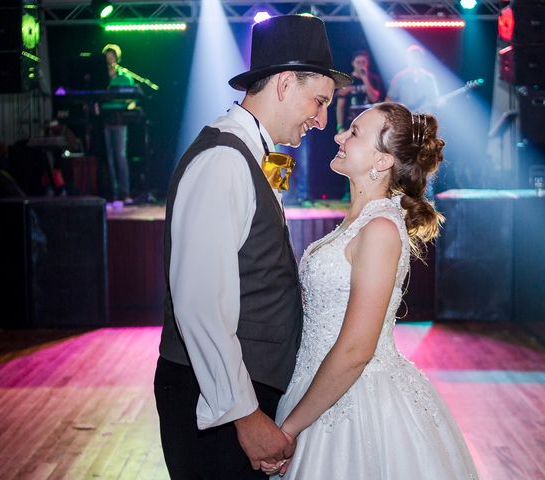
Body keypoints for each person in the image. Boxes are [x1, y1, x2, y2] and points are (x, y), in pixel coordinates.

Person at [153, 15, 351, 480]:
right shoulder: (223, 161)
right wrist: (244, 415)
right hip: (215, 405)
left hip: (238, 392)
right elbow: (201, 306)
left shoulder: (250, 154)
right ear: (284, 84)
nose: (322, 120)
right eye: (319, 101)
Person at [262, 102, 479, 479]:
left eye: (354, 133)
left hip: (356, 400)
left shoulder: (379, 229)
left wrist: (288, 430)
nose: (338, 136)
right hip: (318, 386)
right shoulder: (360, 220)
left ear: (382, 161)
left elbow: (355, 351)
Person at [101, 43, 134, 204]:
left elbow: (131, 100)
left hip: (119, 119)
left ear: (116, 58)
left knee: (120, 156)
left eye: (112, 56)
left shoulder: (125, 77)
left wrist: (127, 103)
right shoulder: (100, 78)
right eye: (107, 56)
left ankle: (125, 192)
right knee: (108, 158)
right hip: (104, 119)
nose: (109, 59)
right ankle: (112, 194)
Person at [335, 50, 382, 134]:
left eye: (363, 62)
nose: (361, 64)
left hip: (369, 122)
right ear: (353, 63)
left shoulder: (374, 79)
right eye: (358, 62)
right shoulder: (347, 80)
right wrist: (340, 126)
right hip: (350, 122)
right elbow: (340, 105)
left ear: (368, 63)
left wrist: (365, 78)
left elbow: (374, 98)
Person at [386, 45, 440, 112]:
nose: (414, 60)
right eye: (412, 57)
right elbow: (388, 100)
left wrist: (439, 102)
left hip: (424, 118)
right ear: (407, 59)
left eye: (417, 57)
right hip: (406, 118)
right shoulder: (399, 78)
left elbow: (435, 101)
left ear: (421, 59)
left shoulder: (429, 78)